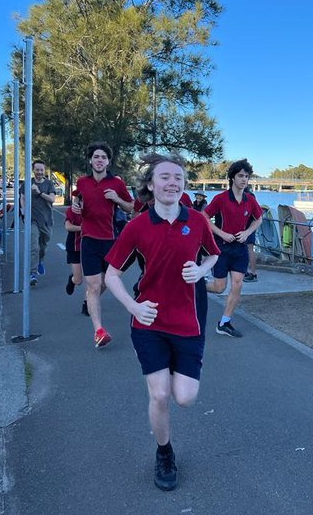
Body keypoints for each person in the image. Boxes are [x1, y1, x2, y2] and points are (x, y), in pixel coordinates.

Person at [104, 153, 219, 492]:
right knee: (160, 396)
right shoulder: (137, 226)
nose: (172, 182)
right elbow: (111, 275)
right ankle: (164, 452)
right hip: (149, 321)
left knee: (185, 397)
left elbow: (214, 254)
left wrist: (201, 270)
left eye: (178, 178)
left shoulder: (197, 221)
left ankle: (168, 375)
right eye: (165, 177)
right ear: (151, 185)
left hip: (188, 322)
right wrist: (133, 307)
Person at [72, 141, 133, 347]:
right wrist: (76, 206)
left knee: (108, 282)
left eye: (103, 157)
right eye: (96, 157)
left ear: (108, 162)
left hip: (111, 241)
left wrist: (117, 199)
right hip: (89, 240)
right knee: (94, 284)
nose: (99, 160)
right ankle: (99, 331)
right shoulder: (82, 182)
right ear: (90, 161)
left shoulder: (116, 183)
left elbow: (131, 207)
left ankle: (89, 299)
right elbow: (78, 199)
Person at [204, 158, 263, 338]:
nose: (244, 179)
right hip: (221, 248)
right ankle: (197, 285)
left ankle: (224, 323)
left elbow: (259, 219)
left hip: (240, 249)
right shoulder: (221, 198)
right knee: (219, 287)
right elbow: (204, 216)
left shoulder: (249, 200)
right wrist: (221, 233)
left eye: (246, 176)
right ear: (232, 178)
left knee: (237, 284)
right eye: (240, 176)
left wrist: (247, 232)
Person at [19, 160, 56, 285]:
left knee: (43, 247)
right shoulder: (27, 183)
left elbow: (52, 199)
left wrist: (39, 193)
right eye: (37, 170)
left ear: (44, 170)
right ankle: (32, 273)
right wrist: (24, 212)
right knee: (34, 247)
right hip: (32, 220)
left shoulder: (49, 184)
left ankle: (40, 261)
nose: (39, 172)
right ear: (33, 170)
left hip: (46, 220)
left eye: (41, 170)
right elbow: (22, 198)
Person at [63, 197, 84, 302]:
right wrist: (83, 228)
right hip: (75, 246)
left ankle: (88, 302)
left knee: (94, 280)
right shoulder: (72, 210)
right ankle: (72, 279)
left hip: (92, 246)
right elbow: (68, 226)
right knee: (78, 280)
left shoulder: (96, 210)